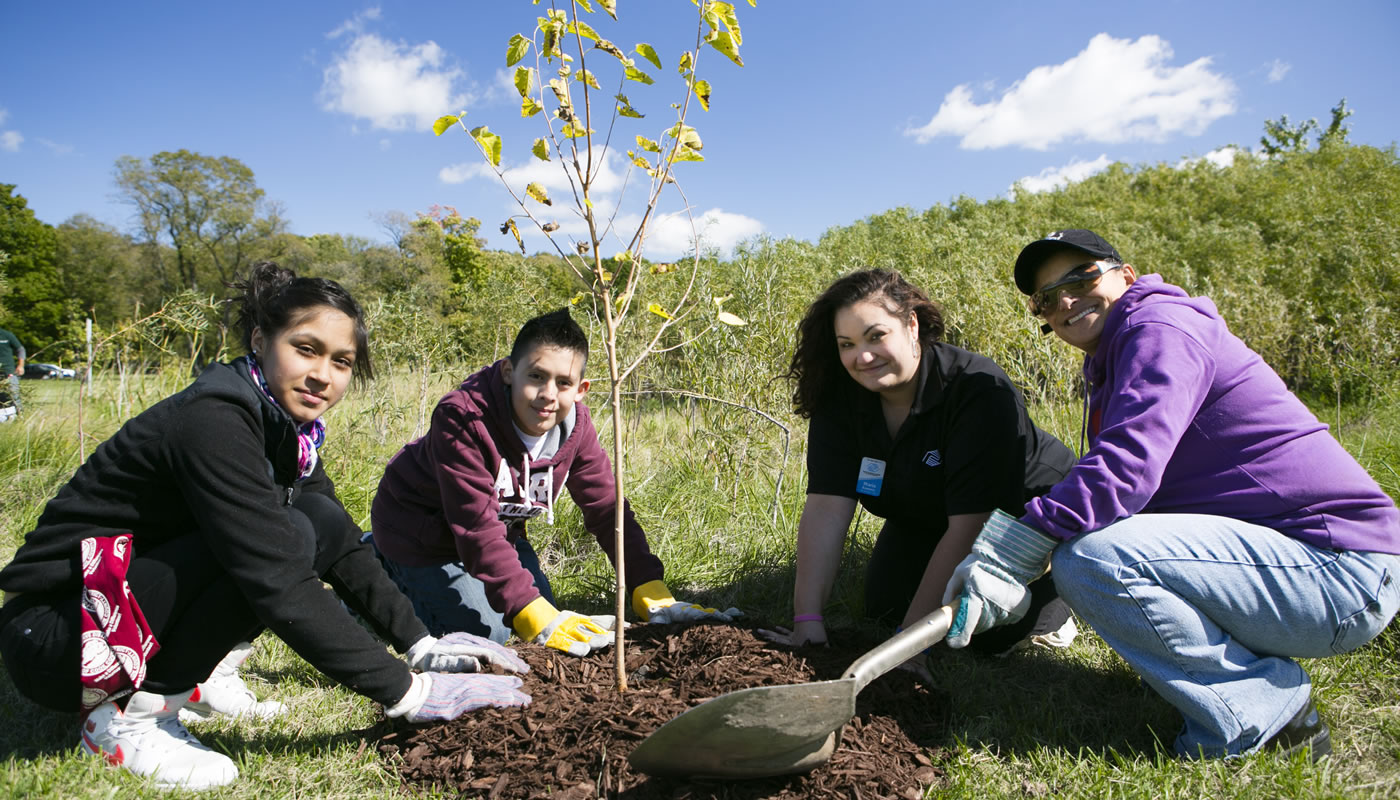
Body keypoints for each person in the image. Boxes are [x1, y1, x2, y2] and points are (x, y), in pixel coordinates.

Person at [0, 262, 532, 790]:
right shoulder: (214, 419)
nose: (323, 374)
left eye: (342, 361)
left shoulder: (285, 431)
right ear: (260, 339)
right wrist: (408, 691)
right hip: (59, 637)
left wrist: (420, 642)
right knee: (283, 539)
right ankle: (128, 715)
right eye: (306, 349)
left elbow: (340, 542)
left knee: (314, 519)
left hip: (114, 606)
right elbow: (275, 573)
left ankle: (204, 673)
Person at [944, 229, 1400, 761]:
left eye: (1080, 277)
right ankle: (1218, 677)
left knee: (1094, 559)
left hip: (1339, 569)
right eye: (1046, 298)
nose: (1064, 299)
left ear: (1126, 276)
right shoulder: (1118, 357)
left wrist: (1009, 552)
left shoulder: (1161, 328)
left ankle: (1266, 717)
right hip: (1295, 563)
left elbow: (1125, 469)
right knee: (1098, 546)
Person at [370, 308, 737, 659]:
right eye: (536, 376)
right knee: (492, 635)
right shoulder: (463, 419)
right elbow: (474, 527)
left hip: (499, 532)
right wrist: (530, 614)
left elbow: (606, 507)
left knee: (536, 609)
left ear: (581, 389)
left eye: (563, 382)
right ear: (508, 371)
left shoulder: (575, 427)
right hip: (419, 533)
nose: (548, 394)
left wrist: (649, 588)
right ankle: (377, 568)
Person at [758, 268, 1079, 657]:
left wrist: (908, 644)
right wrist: (806, 621)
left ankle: (1055, 600)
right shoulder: (841, 397)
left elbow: (972, 524)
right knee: (883, 606)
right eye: (846, 344)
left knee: (975, 638)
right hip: (929, 511)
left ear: (911, 325)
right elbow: (826, 507)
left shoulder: (976, 389)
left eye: (876, 336)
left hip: (1018, 514)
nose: (862, 356)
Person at [0, 325, 24, 419]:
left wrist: (20, 366)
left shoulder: (7, 335)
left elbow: (20, 349)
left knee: (14, 394)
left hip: (8, 371)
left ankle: (20, 416)